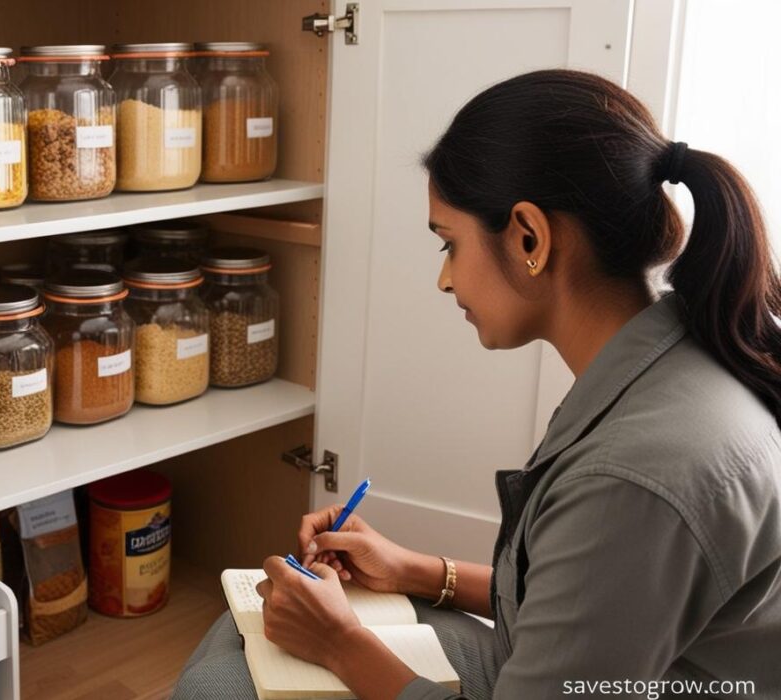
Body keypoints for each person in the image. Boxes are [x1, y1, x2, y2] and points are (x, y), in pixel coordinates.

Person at [172, 69, 781, 699]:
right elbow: (589, 603)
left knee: (221, 683)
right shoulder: (671, 363)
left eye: (450, 244)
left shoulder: (634, 480)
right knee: (246, 630)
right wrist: (416, 570)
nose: (445, 280)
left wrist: (337, 641)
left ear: (529, 237)